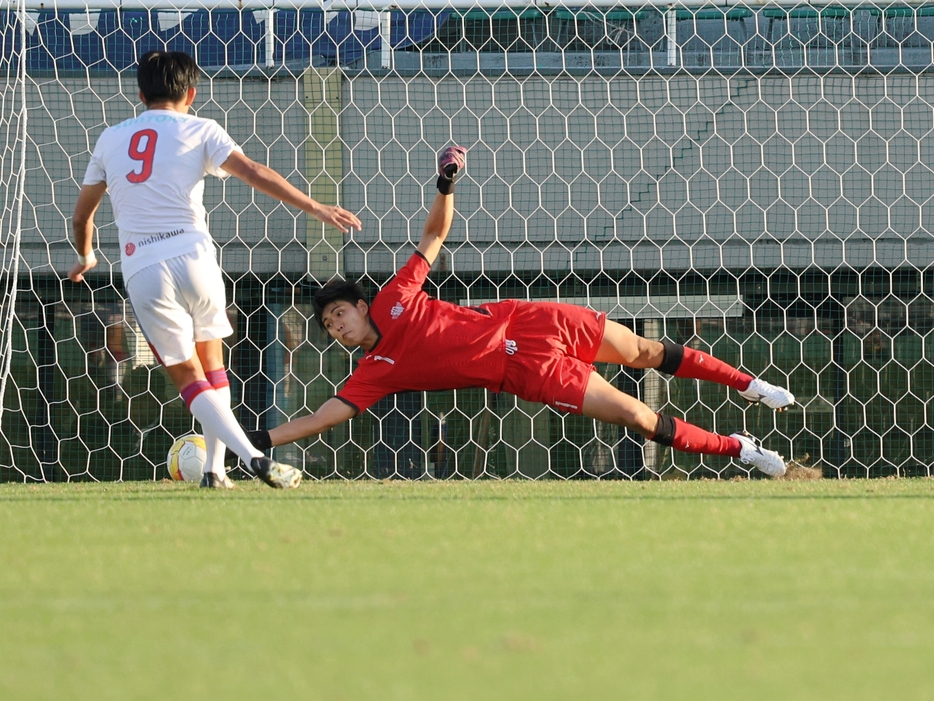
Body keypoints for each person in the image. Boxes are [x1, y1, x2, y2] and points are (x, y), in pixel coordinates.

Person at [239, 144, 795, 478]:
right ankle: (744, 450)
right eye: (329, 326)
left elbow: (433, 235)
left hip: (531, 320)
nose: (336, 327)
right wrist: (248, 442)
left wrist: (446, 183)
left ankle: (751, 385)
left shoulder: (394, 297)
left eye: (338, 314)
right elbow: (317, 421)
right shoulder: (372, 374)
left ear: (361, 306)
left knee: (645, 351)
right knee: (636, 418)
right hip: (526, 371)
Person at [68, 50, 362, 489]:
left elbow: (81, 216)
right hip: (195, 260)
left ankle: (240, 461)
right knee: (213, 362)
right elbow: (255, 171)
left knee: (187, 376)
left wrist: (87, 254)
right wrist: (315, 206)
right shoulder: (200, 127)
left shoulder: (111, 138)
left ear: (140, 93)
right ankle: (222, 467)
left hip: (144, 267)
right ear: (191, 93)